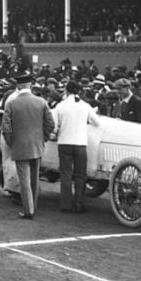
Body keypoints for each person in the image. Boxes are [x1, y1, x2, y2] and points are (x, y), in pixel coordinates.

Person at [2, 72, 55, 219]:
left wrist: (11, 142)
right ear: (31, 85)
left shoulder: (11, 103)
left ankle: (28, 210)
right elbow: (50, 124)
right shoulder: (41, 102)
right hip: (37, 145)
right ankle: (34, 206)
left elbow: (6, 127)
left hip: (19, 145)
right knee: (34, 177)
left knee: (24, 179)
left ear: (18, 85)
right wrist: (42, 138)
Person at [52, 80, 101, 213]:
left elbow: (54, 127)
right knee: (80, 175)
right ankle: (79, 204)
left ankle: (65, 205)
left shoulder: (60, 106)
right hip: (80, 143)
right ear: (78, 91)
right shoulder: (85, 106)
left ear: (66, 91)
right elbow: (97, 122)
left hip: (64, 143)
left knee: (66, 175)